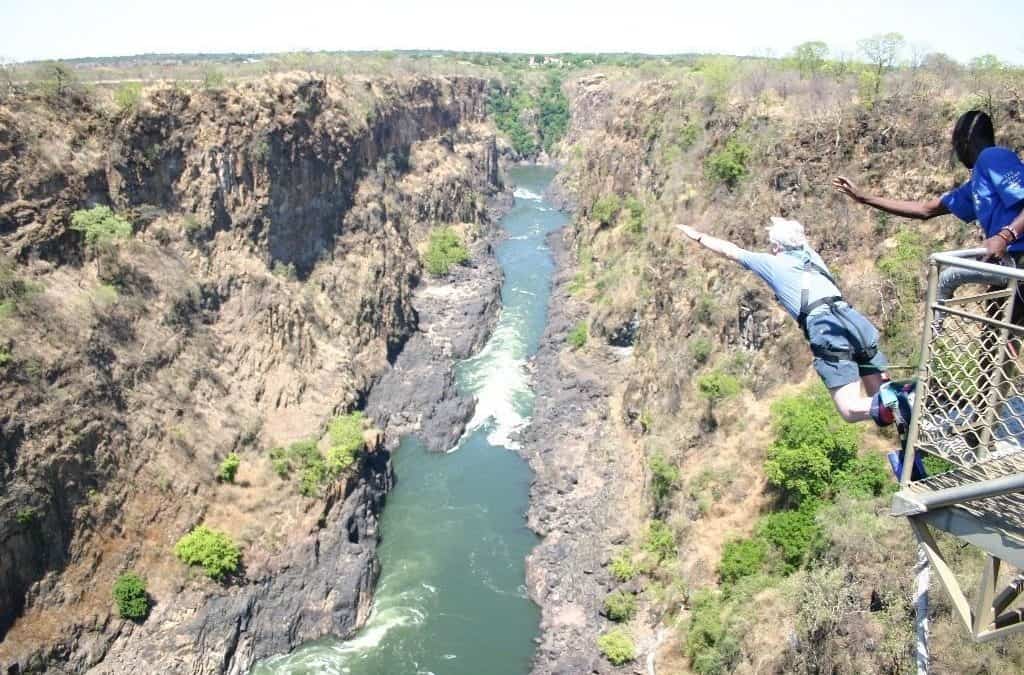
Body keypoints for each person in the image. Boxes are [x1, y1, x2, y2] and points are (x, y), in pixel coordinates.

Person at [677, 218, 909, 427]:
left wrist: (697, 236)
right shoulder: (812, 256)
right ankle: (906, 397)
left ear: (777, 247)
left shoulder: (772, 263)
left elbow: (731, 251)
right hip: (854, 320)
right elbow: (797, 235)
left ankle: (904, 398)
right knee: (879, 396)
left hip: (826, 327)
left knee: (849, 409)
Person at [833, 110, 1024, 310]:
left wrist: (1005, 236)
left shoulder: (992, 157)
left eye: (955, 146)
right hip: (1005, 265)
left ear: (964, 142)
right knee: (993, 334)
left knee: (951, 280)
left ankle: (936, 332)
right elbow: (926, 210)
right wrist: (865, 198)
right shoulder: (976, 184)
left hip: (1018, 261)